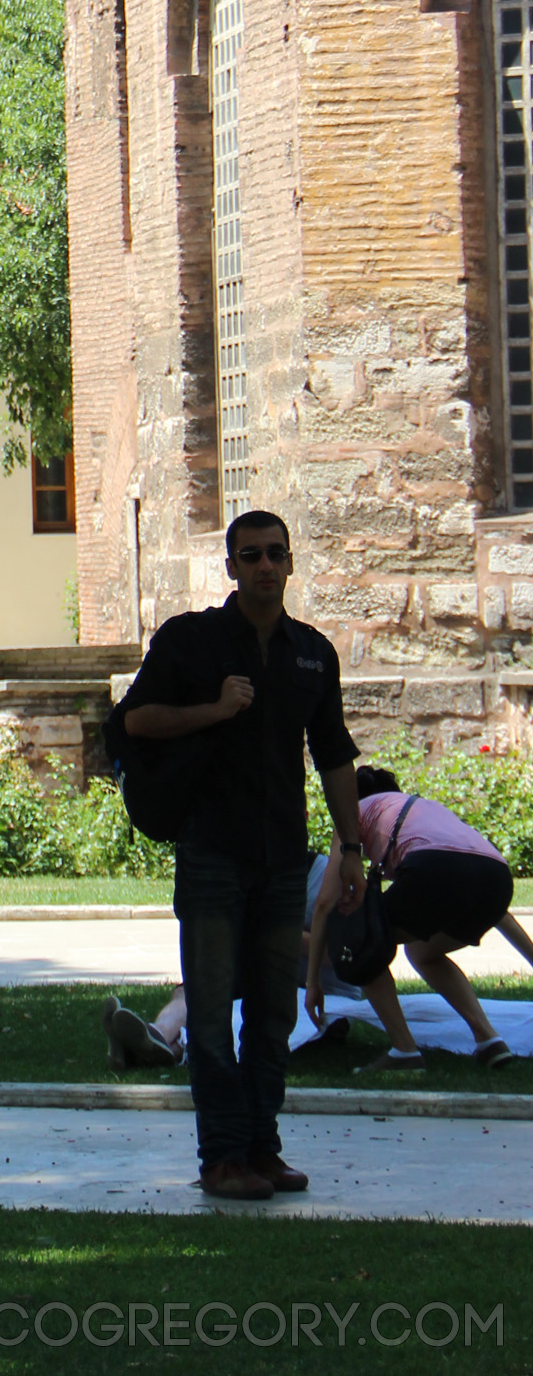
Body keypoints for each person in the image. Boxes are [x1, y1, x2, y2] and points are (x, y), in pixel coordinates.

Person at [119, 509, 363, 1200]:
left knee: (273, 1016)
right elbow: (136, 720)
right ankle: (222, 1156)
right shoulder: (191, 642)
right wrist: (214, 711)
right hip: (212, 856)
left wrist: (352, 849)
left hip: (283, 858)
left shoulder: (310, 653)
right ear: (230, 566)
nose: (264, 566)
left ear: (290, 564)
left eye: (275, 555)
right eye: (250, 555)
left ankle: (262, 1146)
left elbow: (335, 753)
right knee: (211, 1011)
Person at [307, 765, 533, 1070]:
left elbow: (325, 903)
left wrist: (312, 984)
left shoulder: (353, 813)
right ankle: (489, 1039)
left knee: (362, 945)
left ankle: (404, 1051)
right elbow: (495, 908)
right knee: (423, 952)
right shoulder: (422, 810)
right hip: (497, 878)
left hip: (436, 869)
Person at [102, 848, 352, 1069]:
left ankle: (148, 1049)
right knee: (196, 989)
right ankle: (156, 1036)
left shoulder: (326, 877)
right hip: (269, 982)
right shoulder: (253, 876)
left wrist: (279, 933)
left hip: (324, 1001)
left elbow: (346, 955)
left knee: (249, 1016)